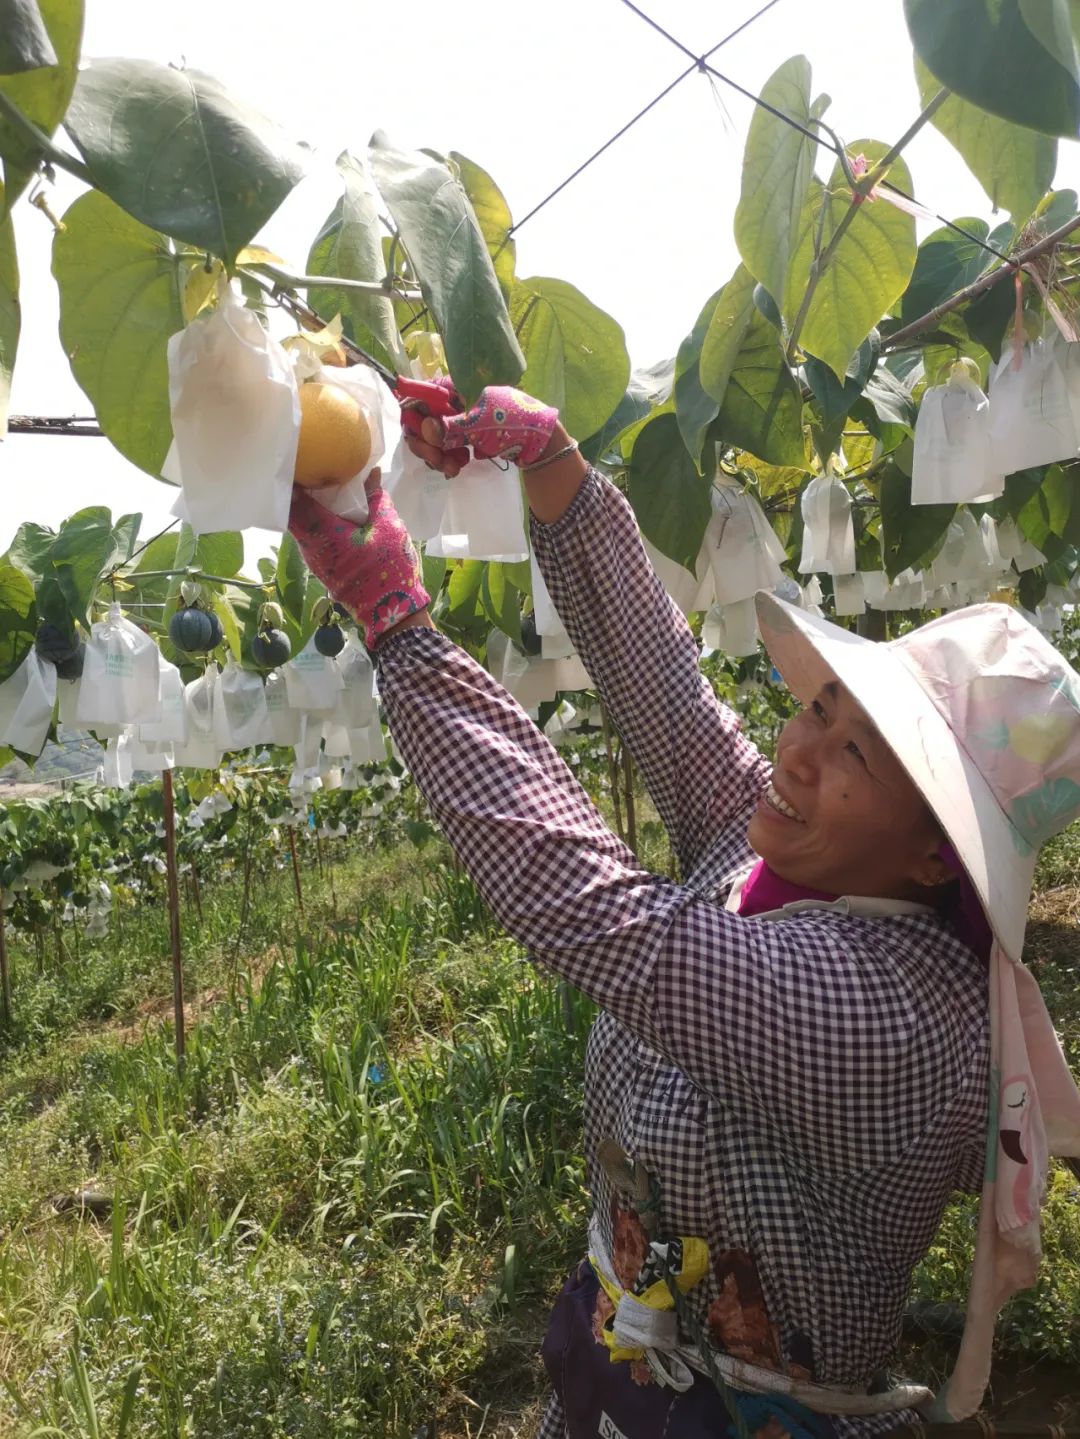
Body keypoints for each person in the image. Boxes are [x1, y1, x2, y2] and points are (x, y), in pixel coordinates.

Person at [287, 385, 1080, 1439]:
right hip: (629, 1367)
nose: (797, 747)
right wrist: (553, 461)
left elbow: (607, 917)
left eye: (854, 753)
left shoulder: (892, 1014)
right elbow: (666, 690)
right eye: (820, 708)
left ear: (939, 850)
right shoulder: (781, 858)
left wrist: (401, 623)